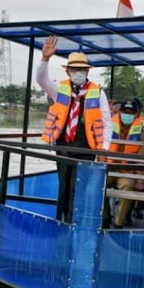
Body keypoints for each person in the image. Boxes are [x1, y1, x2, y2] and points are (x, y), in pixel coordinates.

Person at [36, 35, 112, 221]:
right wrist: (45, 59)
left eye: (82, 69)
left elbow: (106, 121)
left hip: (86, 146)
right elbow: (41, 79)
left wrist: (104, 149)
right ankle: (63, 219)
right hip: (63, 145)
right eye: (75, 69)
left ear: (87, 71)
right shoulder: (59, 88)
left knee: (78, 187)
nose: (78, 72)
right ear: (68, 71)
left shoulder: (97, 91)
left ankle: (74, 220)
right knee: (64, 186)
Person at [107, 100, 144, 228]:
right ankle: (105, 216)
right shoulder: (108, 124)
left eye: (131, 113)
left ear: (136, 114)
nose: (127, 115)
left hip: (127, 170)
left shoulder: (141, 130)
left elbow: (142, 156)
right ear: (119, 112)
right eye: (125, 112)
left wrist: (139, 178)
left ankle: (118, 223)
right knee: (97, 184)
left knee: (128, 187)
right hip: (109, 166)